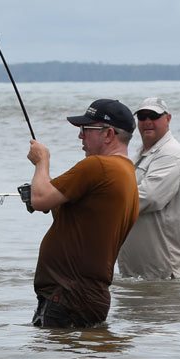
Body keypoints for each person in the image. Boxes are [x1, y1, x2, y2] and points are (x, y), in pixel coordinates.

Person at [24, 99, 142, 328]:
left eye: (86, 129)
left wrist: (42, 162)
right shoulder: (126, 175)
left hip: (66, 297)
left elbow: (39, 199)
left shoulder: (98, 166)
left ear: (108, 134)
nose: (80, 136)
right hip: (86, 299)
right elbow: (78, 224)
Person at [115, 96, 180, 280]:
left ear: (168, 118)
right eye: (142, 117)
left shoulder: (172, 154)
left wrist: (101, 202)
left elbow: (149, 198)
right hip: (136, 273)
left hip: (165, 273)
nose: (147, 121)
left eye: (154, 116)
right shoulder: (136, 155)